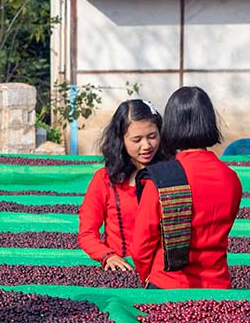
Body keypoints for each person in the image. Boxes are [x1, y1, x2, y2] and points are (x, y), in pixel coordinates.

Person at [131, 86, 241, 288]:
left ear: (171, 124)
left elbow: (140, 246)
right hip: (218, 287)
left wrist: (148, 278)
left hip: (168, 285)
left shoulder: (162, 179)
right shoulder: (231, 178)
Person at [78, 99, 164, 271]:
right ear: (121, 140)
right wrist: (107, 255)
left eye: (152, 136)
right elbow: (87, 233)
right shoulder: (104, 179)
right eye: (137, 140)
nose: (146, 146)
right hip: (123, 269)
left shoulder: (171, 174)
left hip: (164, 271)